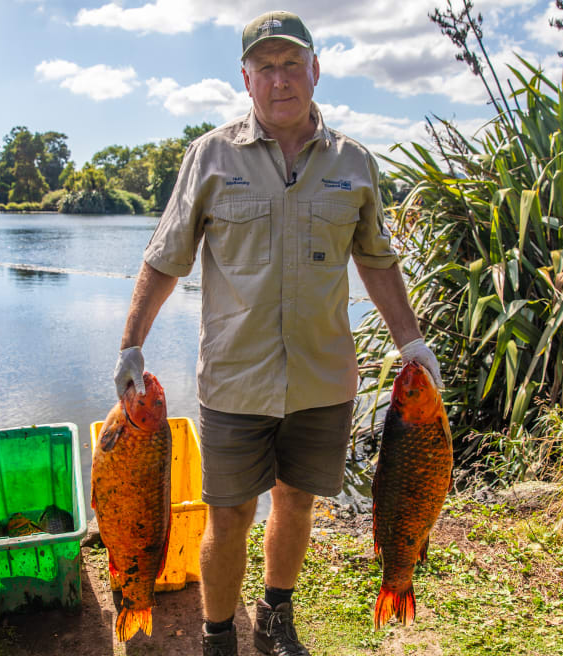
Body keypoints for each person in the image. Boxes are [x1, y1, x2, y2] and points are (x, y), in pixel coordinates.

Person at [112, 10, 442, 656]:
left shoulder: (354, 163)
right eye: (265, 67)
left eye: (293, 64)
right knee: (229, 513)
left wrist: (411, 341)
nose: (280, 80)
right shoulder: (210, 156)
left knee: (296, 501)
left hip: (323, 376)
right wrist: (131, 344)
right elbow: (164, 257)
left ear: (315, 71)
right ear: (246, 78)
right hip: (235, 377)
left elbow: (377, 260)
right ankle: (217, 637)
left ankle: (275, 615)